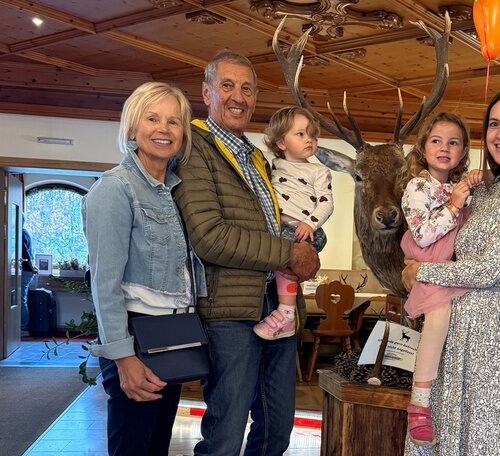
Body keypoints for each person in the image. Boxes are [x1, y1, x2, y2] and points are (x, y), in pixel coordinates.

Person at [173, 50, 320, 456]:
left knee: (277, 430)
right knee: (226, 432)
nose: (238, 96)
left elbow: (278, 222)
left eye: (247, 88)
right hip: (230, 313)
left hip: (279, 306)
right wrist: (288, 252)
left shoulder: (256, 156)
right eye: (227, 86)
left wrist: (310, 242)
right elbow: (211, 236)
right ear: (207, 92)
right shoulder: (194, 148)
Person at [402, 87, 500, 456]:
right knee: (440, 436)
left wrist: (421, 272)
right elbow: (438, 238)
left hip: (496, 330)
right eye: (494, 124)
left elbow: (488, 270)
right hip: (452, 323)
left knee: (487, 439)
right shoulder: (484, 190)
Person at [83, 81, 200, 456]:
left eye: (174, 121)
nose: (164, 130)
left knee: (156, 447)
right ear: (132, 129)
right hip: (136, 339)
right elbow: (104, 284)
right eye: (152, 119)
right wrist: (124, 358)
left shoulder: (173, 191)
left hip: (170, 337)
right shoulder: (114, 189)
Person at [398, 112, 475, 446]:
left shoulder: (458, 187)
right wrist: (455, 205)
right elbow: (423, 234)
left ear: (462, 151)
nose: (444, 148)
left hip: (454, 268)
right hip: (431, 263)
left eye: (453, 142)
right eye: (436, 140)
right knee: (437, 320)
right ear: (423, 147)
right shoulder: (418, 186)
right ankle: (419, 402)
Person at [255, 106, 334, 340]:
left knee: (285, 261)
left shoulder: (318, 171)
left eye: (312, 135)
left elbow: (326, 204)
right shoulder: (274, 167)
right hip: (281, 227)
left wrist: (310, 223)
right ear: (281, 143)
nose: (309, 139)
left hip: (302, 229)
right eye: (300, 134)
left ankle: (287, 313)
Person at [20, 220, 38, 334]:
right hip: (28, 269)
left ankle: (23, 327)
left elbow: (25, 253)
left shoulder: (21, 233)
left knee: (20, 298)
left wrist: (32, 267)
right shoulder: (24, 232)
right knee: (21, 298)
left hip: (26, 269)